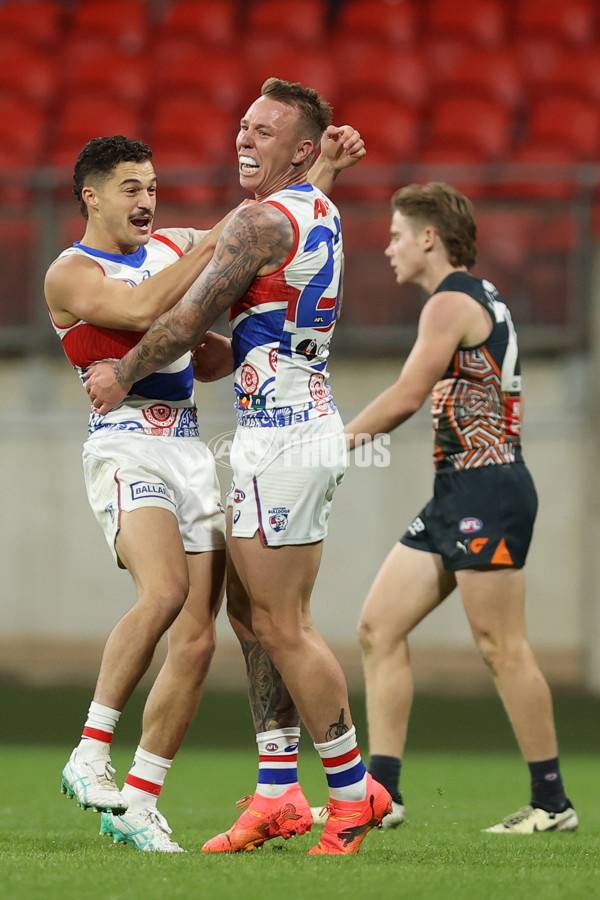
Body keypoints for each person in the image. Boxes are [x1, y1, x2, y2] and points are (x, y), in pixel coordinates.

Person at [86, 78, 392, 856]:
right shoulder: (314, 208)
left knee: (283, 624)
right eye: (243, 127)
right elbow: (241, 335)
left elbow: (189, 318)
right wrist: (327, 169)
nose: (243, 140)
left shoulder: (259, 221)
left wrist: (122, 375)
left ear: (299, 149)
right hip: (290, 427)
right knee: (252, 617)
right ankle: (279, 791)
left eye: (264, 132)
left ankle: (353, 795)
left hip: (284, 440)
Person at [340, 181, 577, 834]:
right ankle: (381, 795)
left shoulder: (449, 302)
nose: (387, 248)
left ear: (427, 238)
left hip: (487, 489)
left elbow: (407, 395)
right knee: (377, 626)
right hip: (460, 491)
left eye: (395, 235)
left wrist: (333, 449)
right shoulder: (477, 295)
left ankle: (552, 803)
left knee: (502, 646)